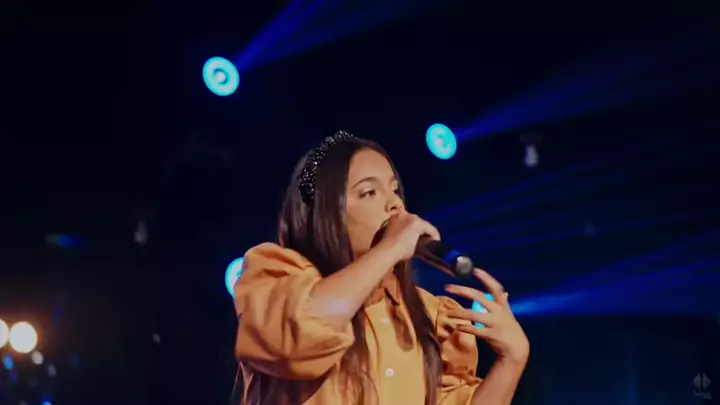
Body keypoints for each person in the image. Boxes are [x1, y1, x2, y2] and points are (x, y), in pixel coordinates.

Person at [233, 131, 529, 405]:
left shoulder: (429, 315)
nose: (394, 205)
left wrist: (511, 360)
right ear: (325, 211)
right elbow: (295, 339)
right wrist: (390, 248)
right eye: (369, 193)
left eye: (395, 190)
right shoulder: (278, 278)